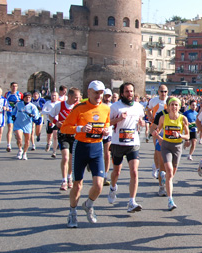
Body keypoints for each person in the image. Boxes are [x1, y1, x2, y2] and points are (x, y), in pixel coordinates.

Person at [61, 81, 111, 228]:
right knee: (77, 185)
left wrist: (107, 131)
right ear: (88, 92)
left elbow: (107, 124)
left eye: (101, 93)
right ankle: (72, 212)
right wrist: (80, 128)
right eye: (96, 92)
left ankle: (89, 204)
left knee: (99, 185)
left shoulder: (105, 108)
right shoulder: (79, 108)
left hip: (97, 148)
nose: (99, 95)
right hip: (81, 147)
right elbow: (65, 128)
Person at [107, 83, 146, 213]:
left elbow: (142, 122)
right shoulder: (115, 107)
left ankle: (132, 201)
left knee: (134, 171)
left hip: (133, 144)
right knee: (116, 172)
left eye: (131, 91)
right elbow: (107, 123)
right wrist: (118, 119)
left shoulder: (139, 107)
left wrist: (142, 123)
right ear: (122, 93)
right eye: (127, 91)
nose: (129, 94)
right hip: (118, 143)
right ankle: (113, 187)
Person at [153, 97, 190, 210]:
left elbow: (188, 136)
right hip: (166, 146)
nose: (174, 107)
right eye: (172, 105)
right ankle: (170, 200)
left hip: (177, 147)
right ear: (168, 107)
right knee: (169, 171)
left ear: (179, 107)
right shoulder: (163, 118)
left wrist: (180, 136)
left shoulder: (183, 119)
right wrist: (158, 135)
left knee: (171, 175)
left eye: (176, 105)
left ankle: (164, 177)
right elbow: (158, 130)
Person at [49, 88, 81, 190]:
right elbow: (50, 115)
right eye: (76, 97)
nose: (77, 99)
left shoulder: (78, 106)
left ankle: (69, 177)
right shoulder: (60, 105)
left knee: (71, 159)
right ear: (70, 96)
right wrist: (56, 122)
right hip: (63, 134)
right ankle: (64, 180)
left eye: (78, 97)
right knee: (66, 157)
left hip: (74, 135)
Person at [147, 85, 169, 193]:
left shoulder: (169, 101)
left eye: (165, 91)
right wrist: (150, 116)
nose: (163, 93)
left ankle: (161, 169)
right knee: (157, 151)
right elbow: (148, 109)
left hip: (167, 129)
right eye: (161, 91)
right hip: (156, 128)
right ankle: (156, 167)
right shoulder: (153, 101)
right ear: (158, 91)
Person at [12, 92, 40, 160]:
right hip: (18, 124)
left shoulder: (32, 106)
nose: (27, 99)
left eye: (29, 97)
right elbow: (14, 111)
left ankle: (24, 153)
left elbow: (36, 116)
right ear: (23, 98)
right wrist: (13, 116)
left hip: (27, 125)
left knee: (27, 141)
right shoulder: (18, 104)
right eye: (26, 97)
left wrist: (32, 115)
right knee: (19, 138)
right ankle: (20, 150)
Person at [4, 82, 22, 153]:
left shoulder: (20, 94)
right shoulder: (7, 94)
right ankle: (8, 145)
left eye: (16, 86)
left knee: (17, 130)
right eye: (13, 86)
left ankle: (19, 146)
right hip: (9, 113)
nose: (14, 87)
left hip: (17, 114)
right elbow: (4, 102)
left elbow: (23, 102)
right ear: (10, 87)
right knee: (10, 128)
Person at [41, 91, 59, 157]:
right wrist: (50, 112)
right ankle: (48, 143)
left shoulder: (59, 103)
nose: (53, 97)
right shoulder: (48, 103)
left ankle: (54, 152)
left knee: (55, 136)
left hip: (57, 121)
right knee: (49, 135)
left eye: (55, 96)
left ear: (57, 96)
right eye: (52, 95)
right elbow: (43, 111)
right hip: (50, 121)